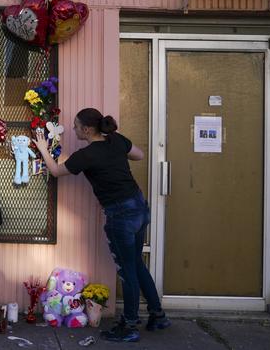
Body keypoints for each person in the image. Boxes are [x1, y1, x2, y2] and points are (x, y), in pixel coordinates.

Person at [34, 107, 170, 342]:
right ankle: (158, 316)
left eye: (76, 126)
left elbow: (55, 171)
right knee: (136, 264)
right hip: (139, 208)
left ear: (86, 130)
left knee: (128, 273)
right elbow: (138, 155)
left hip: (121, 216)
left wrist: (44, 150)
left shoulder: (86, 155)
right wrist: (116, 150)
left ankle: (129, 326)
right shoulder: (115, 140)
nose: (74, 129)